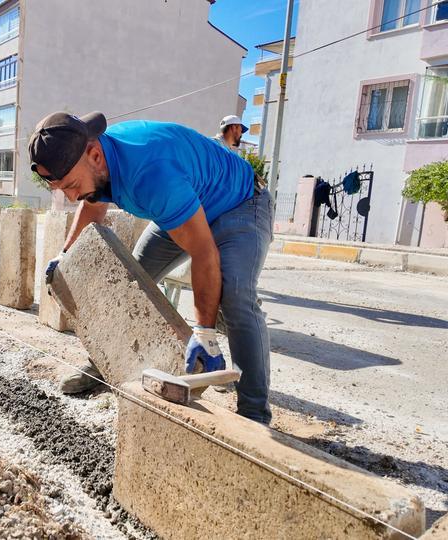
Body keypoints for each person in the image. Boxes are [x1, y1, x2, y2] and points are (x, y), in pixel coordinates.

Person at [32, 111, 272, 425]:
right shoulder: (96, 160)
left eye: (72, 186)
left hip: (239, 203)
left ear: (94, 155)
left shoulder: (152, 174)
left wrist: (204, 332)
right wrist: (65, 254)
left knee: (237, 295)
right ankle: (103, 363)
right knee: (130, 281)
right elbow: (92, 201)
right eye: (63, 189)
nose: (72, 196)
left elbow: (204, 252)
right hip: (185, 203)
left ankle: (254, 413)